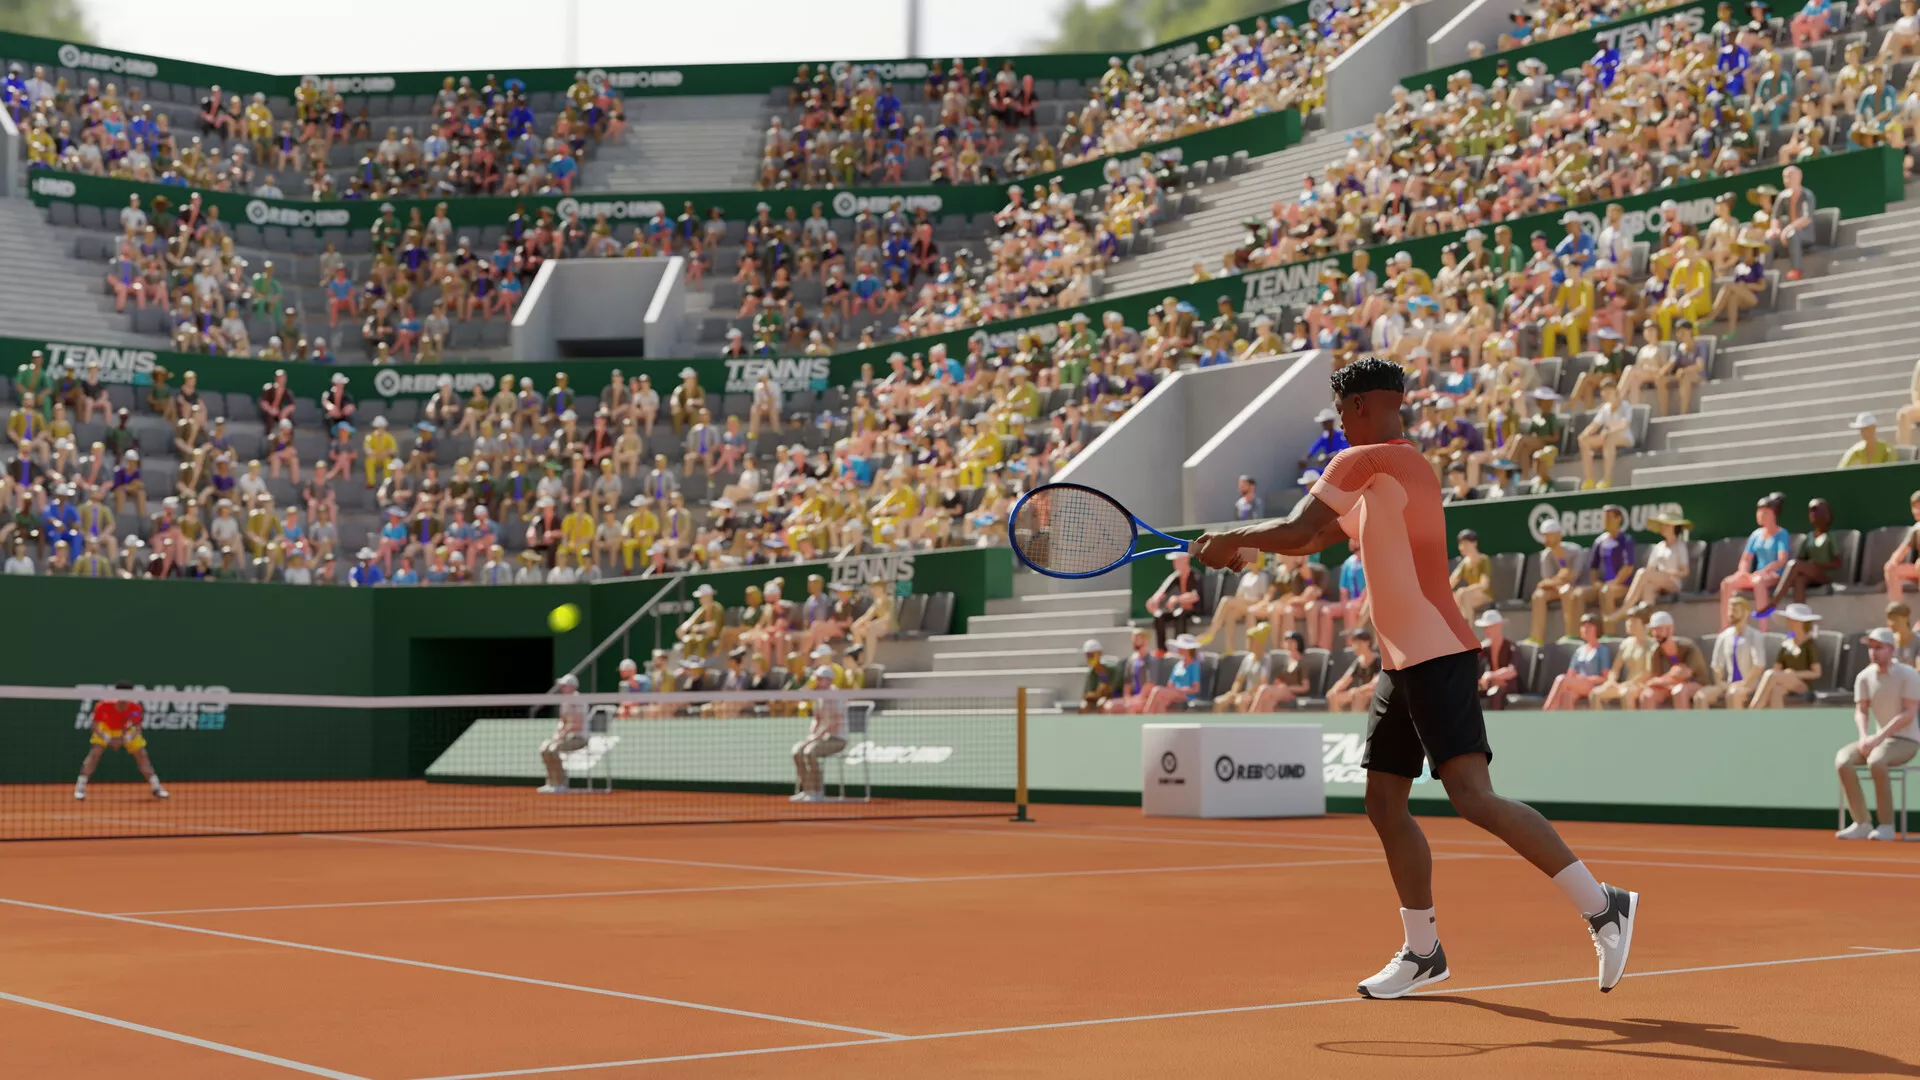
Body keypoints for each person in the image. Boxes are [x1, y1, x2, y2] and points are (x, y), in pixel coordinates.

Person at [1191, 355, 1637, 998]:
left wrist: (1230, 537)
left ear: (1363, 405)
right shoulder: (1402, 470)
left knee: (1473, 798)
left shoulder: (1363, 461)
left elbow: (1297, 527)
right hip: (1402, 662)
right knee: (1383, 801)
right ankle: (1423, 951)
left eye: (1342, 411)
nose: (1340, 424)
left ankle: (1603, 906)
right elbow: (1315, 539)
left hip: (1435, 652)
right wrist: (1241, 546)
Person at [1835, 627, 1920, 840]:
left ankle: (1886, 826)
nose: (1873, 652)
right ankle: (1862, 822)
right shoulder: (1864, 677)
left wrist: (1879, 738)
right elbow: (1861, 710)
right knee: (1843, 761)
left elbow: (1909, 713)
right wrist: (1864, 737)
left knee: (1876, 761)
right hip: (1875, 741)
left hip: (1907, 741)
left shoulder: (1908, 675)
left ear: (1891, 649)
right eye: (1871, 648)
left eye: (1879, 647)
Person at [74, 682, 169, 801]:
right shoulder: (103, 705)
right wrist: (108, 738)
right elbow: (94, 726)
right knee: (95, 753)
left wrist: (126, 738)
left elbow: (137, 728)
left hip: (126, 731)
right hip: (106, 730)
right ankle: (80, 787)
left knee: (142, 755)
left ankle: (156, 788)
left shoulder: (135, 708)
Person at [1720, 492, 1791, 626]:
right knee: (1727, 583)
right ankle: (1725, 627)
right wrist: (1742, 572)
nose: (1760, 515)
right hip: (1756, 575)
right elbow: (1746, 559)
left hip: (1774, 575)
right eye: (1759, 511)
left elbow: (1782, 560)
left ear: (1773, 514)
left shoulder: (1782, 534)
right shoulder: (1755, 535)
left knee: (1758, 581)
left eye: (1765, 512)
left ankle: (1763, 628)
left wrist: (1765, 571)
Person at [1695, 595, 1767, 709]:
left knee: (1733, 694)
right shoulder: (1724, 636)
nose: (1731, 614)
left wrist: (1744, 684)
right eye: (1730, 610)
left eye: (1735, 611)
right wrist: (1720, 683)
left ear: (1746, 613)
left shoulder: (1754, 635)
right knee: (1700, 696)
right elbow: (1717, 665)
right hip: (1729, 683)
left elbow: (1758, 665)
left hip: (1750, 684)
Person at [1616, 513, 1691, 622]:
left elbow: (1685, 572)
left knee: (1642, 573)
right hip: (1657, 584)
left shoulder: (1680, 546)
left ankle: (1625, 607)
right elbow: (1650, 569)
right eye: (1662, 525)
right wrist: (1654, 576)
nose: (1663, 527)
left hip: (1673, 583)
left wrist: (1669, 573)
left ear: (1674, 527)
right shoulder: (1659, 546)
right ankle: (1647, 622)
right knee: (1648, 586)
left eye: (1666, 525)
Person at [1750, 604, 1825, 709]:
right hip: (1784, 683)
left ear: (1802, 623)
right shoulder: (1786, 645)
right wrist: (1783, 675)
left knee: (1770, 674)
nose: (1790, 623)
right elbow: (1777, 668)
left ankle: (1753, 709)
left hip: (1802, 685)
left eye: (1793, 621)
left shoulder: (1809, 645)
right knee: (1776, 690)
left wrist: (1794, 674)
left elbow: (1816, 673)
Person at [1778, 499, 1843, 606]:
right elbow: (1800, 559)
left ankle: (1775, 600)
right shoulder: (1809, 537)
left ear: (1826, 513)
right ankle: (1799, 611)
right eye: (1811, 511)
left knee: (1794, 564)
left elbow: (1837, 563)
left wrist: (1817, 564)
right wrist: (1806, 566)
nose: (1813, 514)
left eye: (1816, 511)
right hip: (1810, 575)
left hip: (1824, 575)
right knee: (1799, 579)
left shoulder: (1830, 536)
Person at [1639, 610, 1709, 709]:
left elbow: (1684, 674)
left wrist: (1663, 679)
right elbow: (1653, 680)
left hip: (1696, 683)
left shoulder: (1688, 647)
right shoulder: (1655, 651)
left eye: (1659, 629)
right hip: (1669, 685)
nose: (1656, 633)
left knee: (1679, 691)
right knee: (1647, 694)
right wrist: (1670, 676)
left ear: (1670, 629)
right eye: (1653, 630)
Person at [1591, 611, 1658, 710]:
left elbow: (1648, 672)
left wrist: (1628, 683)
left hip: (1641, 685)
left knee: (1626, 693)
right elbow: (1615, 668)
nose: (1629, 624)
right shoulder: (1626, 643)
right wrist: (1611, 681)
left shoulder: (1651, 644)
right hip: (1625, 685)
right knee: (1595, 693)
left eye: (1634, 621)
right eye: (1628, 621)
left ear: (1643, 624)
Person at [536, 674, 590, 793]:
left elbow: (577, 723)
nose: (562, 688)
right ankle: (551, 783)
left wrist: (563, 734)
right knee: (544, 749)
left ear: (573, 687)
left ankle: (561, 784)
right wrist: (557, 735)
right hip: (565, 737)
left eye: (564, 686)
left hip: (579, 738)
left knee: (553, 749)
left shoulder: (579, 700)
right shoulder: (564, 702)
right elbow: (563, 721)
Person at [1546, 615, 1613, 710]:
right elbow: (1570, 674)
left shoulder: (1602, 650)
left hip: (1593, 685)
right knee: (1567, 695)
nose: (1585, 629)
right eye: (1583, 626)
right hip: (1579, 684)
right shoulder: (1579, 651)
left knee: (1561, 679)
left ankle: (1547, 710)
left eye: (1589, 626)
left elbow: (1605, 678)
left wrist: (1587, 679)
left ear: (1597, 629)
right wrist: (1577, 678)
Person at [1146, 550, 1206, 652]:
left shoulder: (1195, 575)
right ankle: (1162, 650)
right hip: (1181, 610)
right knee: (1159, 616)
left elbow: (1195, 596)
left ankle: (1180, 648)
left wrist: (1177, 599)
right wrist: (1153, 600)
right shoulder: (1176, 576)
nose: (1174, 562)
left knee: (1180, 613)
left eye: (1177, 560)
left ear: (1186, 559)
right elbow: (1162, 590)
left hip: (1194, 611)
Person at [1325, 628, 1383, 713]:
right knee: (1333, 696)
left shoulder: (1378, 660)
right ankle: (1337, 721)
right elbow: (1345, 679)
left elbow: (1375, 684)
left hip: (1376, 694)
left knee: (1358, 695)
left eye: (1358, 643)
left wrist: (1359, 690)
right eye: (1354, 643)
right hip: (1360, 692)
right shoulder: (1358, 661)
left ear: (1367, 642)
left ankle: (1358, 720)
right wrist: (1334, 690)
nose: (1355, 646)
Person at [1450, 529, 1493, 622]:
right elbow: (1452, 581)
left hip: (1485, 596)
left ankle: (1467, 628)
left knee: (1464, 595)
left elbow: (1484, 585)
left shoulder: (1484, 560)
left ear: (1474, 543)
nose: (1462, 547)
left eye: (1466, 544)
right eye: (1461, 544)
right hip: (1468, 596)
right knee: (1458, 597)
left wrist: (1463, 591)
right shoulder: (1464, 563)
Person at [1885, 490, 1920, 605]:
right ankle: (1896, 609)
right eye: (1914, 507)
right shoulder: (1915, 529)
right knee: (1890, 569)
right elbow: (1902, 550)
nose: (1916, 511)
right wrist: (1893, 561)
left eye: (1919, 507)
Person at [1080, 638, 1119, 713]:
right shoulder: (1092, 673)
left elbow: (1112, 689)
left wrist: (1101, 692)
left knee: (1103, 703)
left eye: (1092, 655)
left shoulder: (1111, 669)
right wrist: (1097, 694)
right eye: (1088, 655)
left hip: (1115, 697)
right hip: (1097, 699)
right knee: (1083, 706)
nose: (1090, 658)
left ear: (1099, 654)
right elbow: (1087, 693)